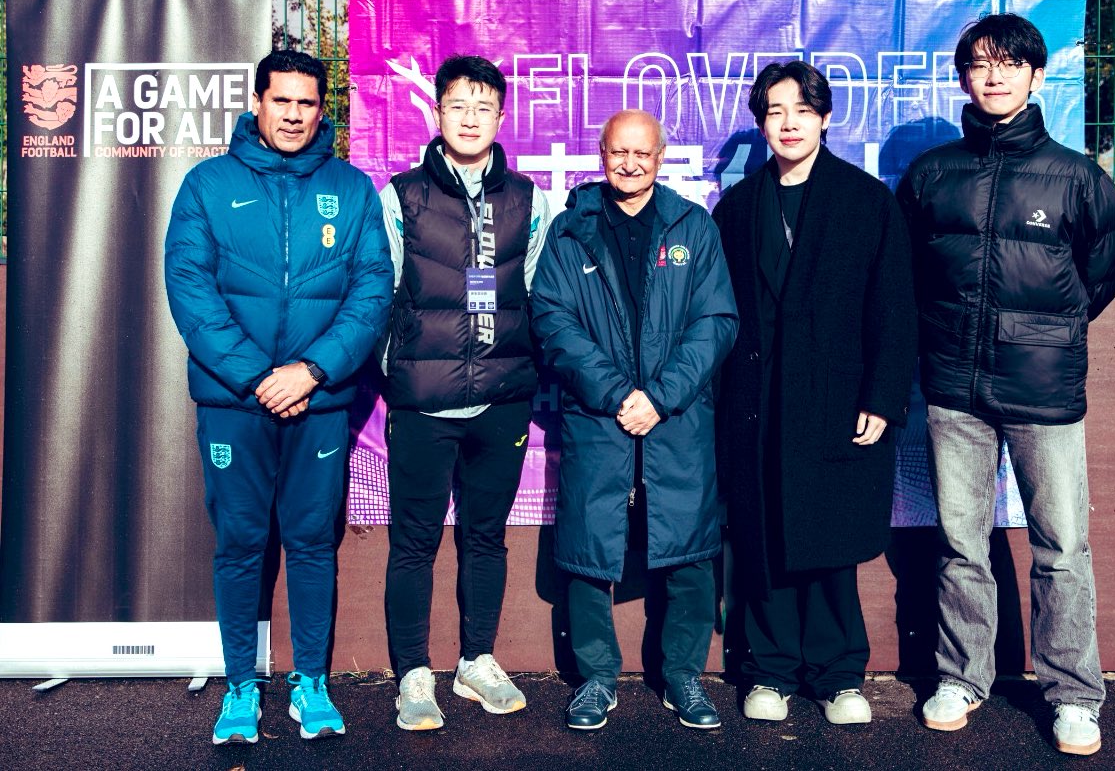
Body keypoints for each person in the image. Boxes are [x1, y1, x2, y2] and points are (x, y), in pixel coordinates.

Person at [896, 14, 1115, 757]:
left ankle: (1072, 694)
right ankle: (960, 677)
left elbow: (1103, 269)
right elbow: (908, 275)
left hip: (1043, 388)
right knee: (961, 543)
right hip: (952, 389)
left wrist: (1046, 334)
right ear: (962, 77)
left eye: (1008, 63)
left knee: (1060, 544)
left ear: (1035, 76)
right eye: (978, 63)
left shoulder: (1076, 177)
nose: (992, 76)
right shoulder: (932, 173)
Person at [165, 49, 393, 745]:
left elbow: (370, 289)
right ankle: (240, 687)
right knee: (239, 543)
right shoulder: (207, 185)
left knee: (311, 543)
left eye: (306, 103)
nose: (294, 115)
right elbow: (190, 288)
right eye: (281, 100)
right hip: (236, 402)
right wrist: (260, 376)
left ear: (322, 109)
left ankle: (311, 684)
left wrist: (312, 372)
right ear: (258, 102)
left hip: (318, 403)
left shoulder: (351, 190)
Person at [712, 60, 917, 728]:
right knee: (763, 536)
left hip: (836, 403)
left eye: (802, 109)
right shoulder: (738, 208)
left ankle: (838, 677)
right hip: (755, 402)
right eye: (774, 111)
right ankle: (767, 671)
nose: (789, 122)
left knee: (829, 538)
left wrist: (882, 399)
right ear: (760, 122)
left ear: (825, 118)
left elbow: (893, 309)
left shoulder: (865, 202)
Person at [531, 110, 738, 732]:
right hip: (600, 417)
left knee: (690, 548)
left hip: (677, 420)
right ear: (600, 153)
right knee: (590, 545)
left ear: (661, 155)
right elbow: (552, 321)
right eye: (618, 151)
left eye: (642, 153)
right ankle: (596, 677)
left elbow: (716, 322)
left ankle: (683, 676)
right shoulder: (571, 232)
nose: (629, 163)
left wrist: (662, 395)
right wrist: (619, 392)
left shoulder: (692, 227)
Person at [378, 55, 550, 731]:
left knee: (486, 538)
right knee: (414, 542)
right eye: (457, 105)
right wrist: (395, 368)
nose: (470, 117)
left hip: (502, 401)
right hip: (423, 403)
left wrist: (526, 370)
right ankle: (413, 674)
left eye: (483, 106)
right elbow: (381, 292)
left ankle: (476, 660)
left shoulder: (532, 201)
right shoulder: (402, 196)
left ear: (501, 117)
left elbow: (539, 296)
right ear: (438, 113)